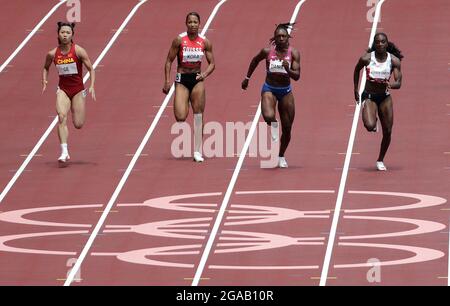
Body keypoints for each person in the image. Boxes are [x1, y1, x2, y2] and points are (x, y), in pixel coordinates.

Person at [242, 23, 300, 168]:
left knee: (287, 129)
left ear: (288, 38)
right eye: (278, 36)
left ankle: (281, 155)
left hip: (286, 91)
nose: (281, 38)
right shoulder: (267, 51)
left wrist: (288, 70)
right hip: (270, 88)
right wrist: (247, 78)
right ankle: (273, 124)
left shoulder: (294, 53)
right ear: (274, 38)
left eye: (283, 36)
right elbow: (255, 61)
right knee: (268, 116)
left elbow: (297, 76)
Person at [163, 12, 215, 162]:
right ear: (186, 24)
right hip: (182, 79)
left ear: (199, 24)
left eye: (195, 22)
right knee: (180, 117)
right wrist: (167, 81)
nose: (193, 24)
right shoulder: (179, 40)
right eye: (190, 22)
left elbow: (212, 63)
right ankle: (183, 100)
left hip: (197, 79)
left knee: (198, 115)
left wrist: (204, 74)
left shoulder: (205, 42)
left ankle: (197, 151)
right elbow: (168, 61)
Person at [42, 22, 96, 165]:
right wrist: (45, 80)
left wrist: (92, 86)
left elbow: (91, 69)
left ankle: (76, 108)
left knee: (78, 124)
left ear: (72, 35)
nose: (65, 35)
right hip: (63, 90)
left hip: (78, 90)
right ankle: (64, 151)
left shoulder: (78, 51)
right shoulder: (52, 54)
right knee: (61, 117)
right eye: (62, 32)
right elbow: (45, 68)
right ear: (58, 34)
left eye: (68, 33)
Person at [353, 32, 403, 171]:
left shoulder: (394, 61)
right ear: (374, 44)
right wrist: (355, 89)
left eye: (382, 41)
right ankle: (372, 118)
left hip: (385, 97)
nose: (380, 44)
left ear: (387, 44)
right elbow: (356, 70)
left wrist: (391, 85)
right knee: (369, 126)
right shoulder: (367, 59)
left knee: (387, 131)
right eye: (377, 42)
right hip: (369, 96)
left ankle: (380, 160)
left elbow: (399, 82)